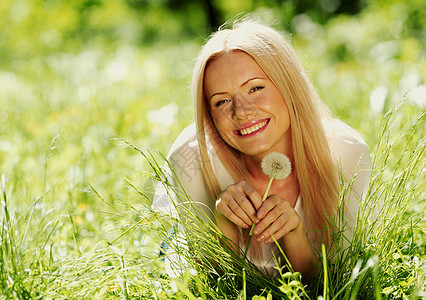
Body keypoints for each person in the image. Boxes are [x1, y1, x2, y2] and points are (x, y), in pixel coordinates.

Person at [153, 19, 371, 279]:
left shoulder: (346, 155)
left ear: (288, 85)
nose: (241, 111)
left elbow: (340, 281)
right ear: (209, 114)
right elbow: (214, 283)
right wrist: (224, 225)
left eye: (255, 88)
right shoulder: (192, 160)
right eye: (222, 101)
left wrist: (294, 236)